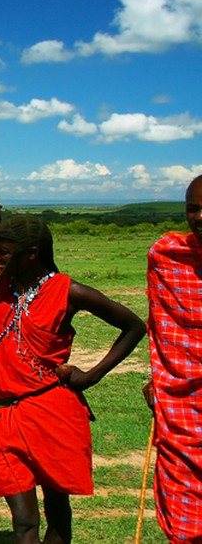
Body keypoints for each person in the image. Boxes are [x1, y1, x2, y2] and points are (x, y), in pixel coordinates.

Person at [0, 215, 145, 544]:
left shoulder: (68, 292)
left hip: (52, 412)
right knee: (24, 518)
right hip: (3, 414)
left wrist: (91, 375)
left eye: (4, 253)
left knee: (57, 511)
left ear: (32, 254)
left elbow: (134, 327)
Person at [144, 175, 202, 544]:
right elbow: (163, 328)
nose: (200, 216)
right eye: (192, 209)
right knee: (185, 526)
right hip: (181, 403)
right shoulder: (169, 258)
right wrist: (160, 377)